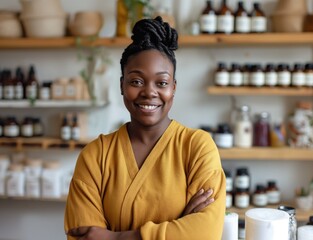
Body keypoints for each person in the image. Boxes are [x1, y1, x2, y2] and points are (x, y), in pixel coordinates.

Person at [64, 16, 226, 240]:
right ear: (122, 85)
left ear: (173, 88)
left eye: (161, 83)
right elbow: (83, 236)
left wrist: (115, 237)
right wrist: (178, 226)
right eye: (136, 81)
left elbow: (205, 233)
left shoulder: (197, 147)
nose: (149, 92)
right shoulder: (95, 156)